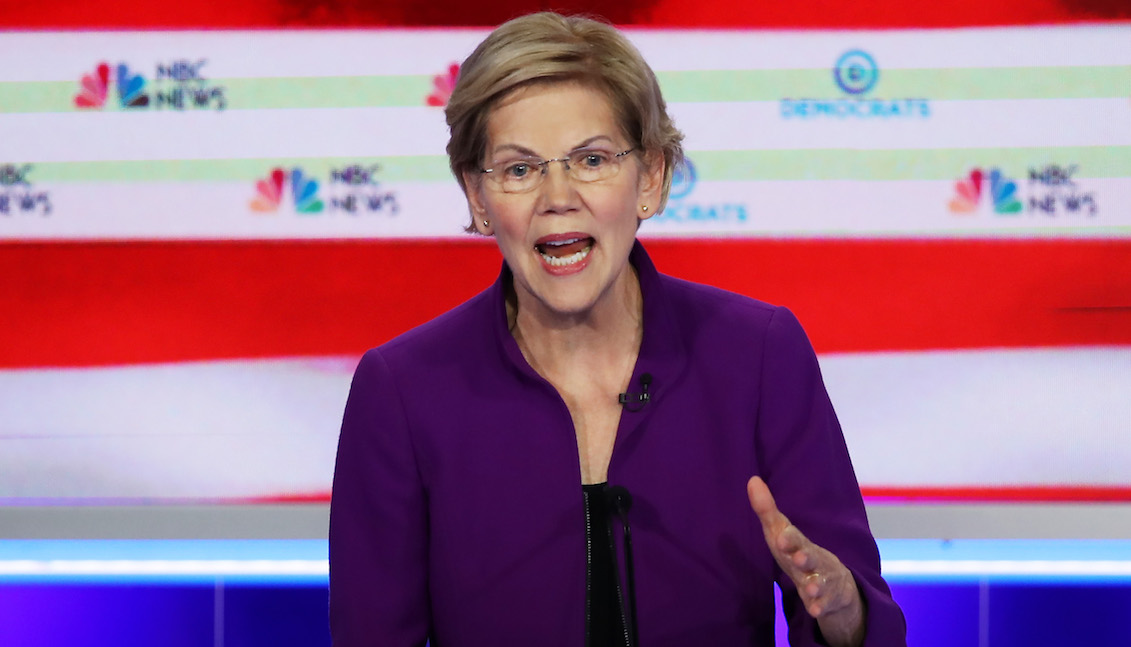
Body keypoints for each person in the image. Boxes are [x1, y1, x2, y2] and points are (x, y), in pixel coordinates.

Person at [329, 11, 906, 647]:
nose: (558, 195)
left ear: (651, 179)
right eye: (519, 169)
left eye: (592, 159)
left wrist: (844, 609)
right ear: (476, 196)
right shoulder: (403, 393)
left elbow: (860, 617)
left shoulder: (758, 356)